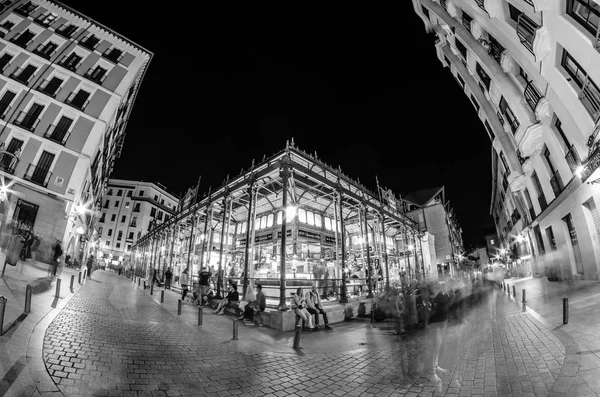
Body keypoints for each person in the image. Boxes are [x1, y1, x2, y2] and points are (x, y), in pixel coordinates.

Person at [429, 281, 451, 384]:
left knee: (439, 346)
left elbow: (448, 301)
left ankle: (436, 365)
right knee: (436, 346)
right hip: (436, 324)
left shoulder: (442, 295)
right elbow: (445, 300)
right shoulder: (438, 296)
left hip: (442, 322)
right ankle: (432, 372)